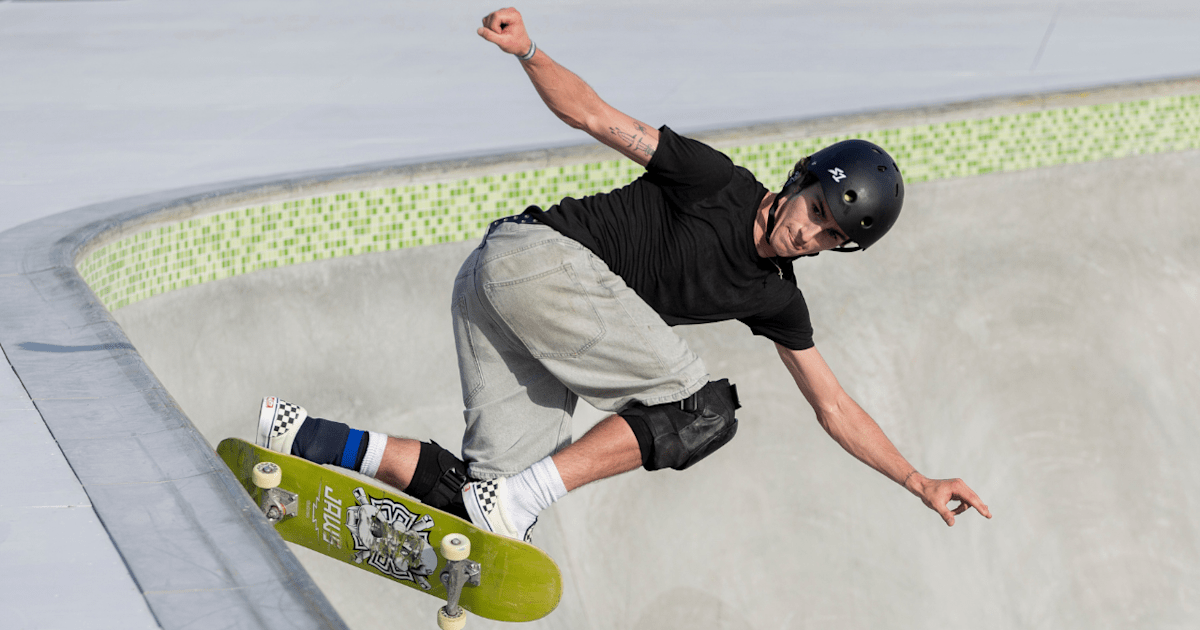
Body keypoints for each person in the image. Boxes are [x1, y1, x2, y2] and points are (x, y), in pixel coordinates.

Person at [256, 7, 991, 544]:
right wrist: (530, 50)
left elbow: (834, 406)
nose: (810, 234)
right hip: (533, 255)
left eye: (830, 236)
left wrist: (917, 480)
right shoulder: (715, 182)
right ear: (799, 181)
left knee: (483, 497)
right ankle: (515, 507)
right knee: (705, 409)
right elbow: (597, 117)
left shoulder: (776, 299)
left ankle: (300, 436)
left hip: (492, 291)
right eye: (816, 210)